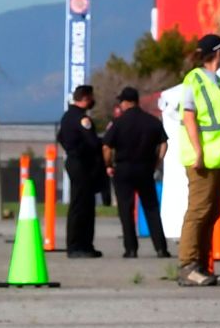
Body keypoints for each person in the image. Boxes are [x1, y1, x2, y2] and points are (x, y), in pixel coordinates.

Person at [174, 34, 220, 286]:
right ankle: (188, 265)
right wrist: (198, 151)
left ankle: (202, 264)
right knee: (198, 212)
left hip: (219, 157)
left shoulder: (217, 81)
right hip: (203, 158)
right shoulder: (195, 79)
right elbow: (190, 116)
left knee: (211, 212)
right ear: (217, 53)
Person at [104, 86, 171, 259]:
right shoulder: (152, 121)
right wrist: (157, 162)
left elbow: (106, 146)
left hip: (124, 169)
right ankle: (161, 248)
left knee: (126, 210)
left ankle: (131, 249)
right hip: (145, 169)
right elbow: (164, 143)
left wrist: (108, 164)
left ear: (126, 102)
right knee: (151, 208)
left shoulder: (118, 123)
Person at [56, 84, 107, 257]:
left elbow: (60, 137)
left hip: (74, 161)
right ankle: (77, 245)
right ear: (85, 98)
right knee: (81, 205)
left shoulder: (66, 117)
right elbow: (92, 143)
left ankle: (84, 245)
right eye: (91, 98)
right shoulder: (82, 119)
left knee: (83, 204)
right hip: (82, 164)